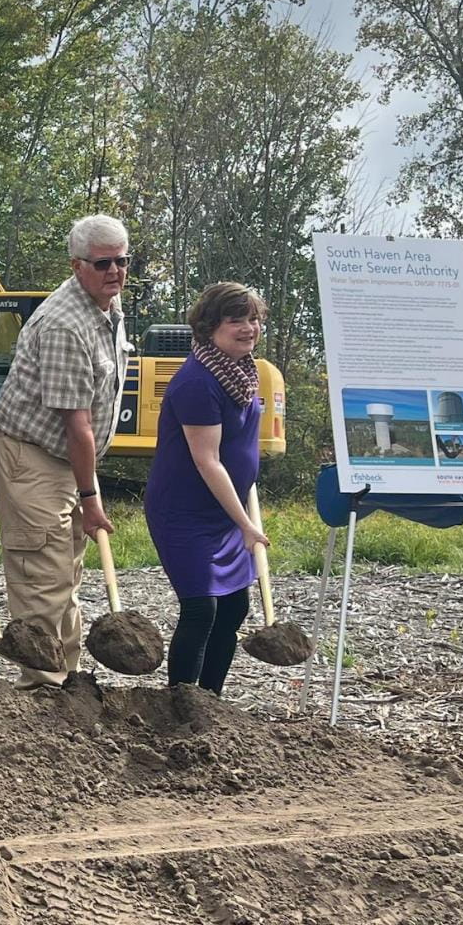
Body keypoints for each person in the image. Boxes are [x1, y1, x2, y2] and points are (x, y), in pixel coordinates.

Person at [0, 213, 132, 686]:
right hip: (34, 460)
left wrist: (84, 488)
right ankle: (42, 692)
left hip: (67, 462)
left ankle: (64, 680)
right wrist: (91, 499)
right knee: (42, 582)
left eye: (123, 261)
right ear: (77, 265)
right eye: (104, 263)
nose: (115, 271)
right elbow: (78, 425)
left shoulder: (107, 310)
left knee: (66, 576)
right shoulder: (65, 325)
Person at [144, 282, 271, 695]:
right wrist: (247, 524)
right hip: (185, 512)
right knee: (201, 608)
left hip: (223, 511)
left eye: (252, 319)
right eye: (235, 320)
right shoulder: (198, 382)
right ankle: (182, 702)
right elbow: (207, 460)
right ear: (209, 326)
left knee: (235, 607)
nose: (247, 328)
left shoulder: (243, 373)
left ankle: (211, 701)